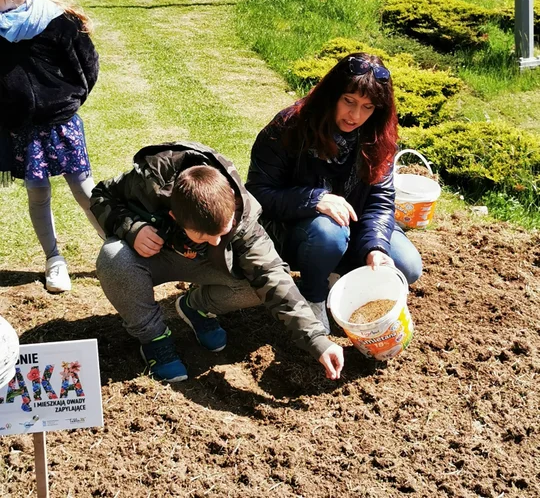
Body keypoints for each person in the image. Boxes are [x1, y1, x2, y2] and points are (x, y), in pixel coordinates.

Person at [90, 140, 344, 383]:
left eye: (222, 233)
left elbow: (273, 276)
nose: (214, 241)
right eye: (204, 235)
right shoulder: (149, 179)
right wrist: (131, 228)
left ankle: (196, 306)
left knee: (260, 284)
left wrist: (318, 341)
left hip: (207, 264)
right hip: (155, 255)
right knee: (115, 258)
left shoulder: (242, 215)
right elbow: (101, 195)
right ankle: (155, 339)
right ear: (174, 216)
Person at [246, 52, 422, 334]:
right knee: (329, 232)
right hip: (295, 229)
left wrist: (376, 247)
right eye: (348, 101)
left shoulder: (377, 136)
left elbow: (380, 201)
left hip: (354, 227)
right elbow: (258, 193)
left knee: (407, 266)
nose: (355, 116)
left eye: (368, 107)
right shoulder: (289, 127)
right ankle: (313, 295)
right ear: (331, 95)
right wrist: (315, 199)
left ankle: (337, 274)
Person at [0, 0, 101, 294]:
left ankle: (116, 248)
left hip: (60, 124)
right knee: (37, 192)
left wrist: (67, 102)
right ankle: (54, 259)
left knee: (84, 187)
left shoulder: (56, 21)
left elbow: (87, 68)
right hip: (22, 131)